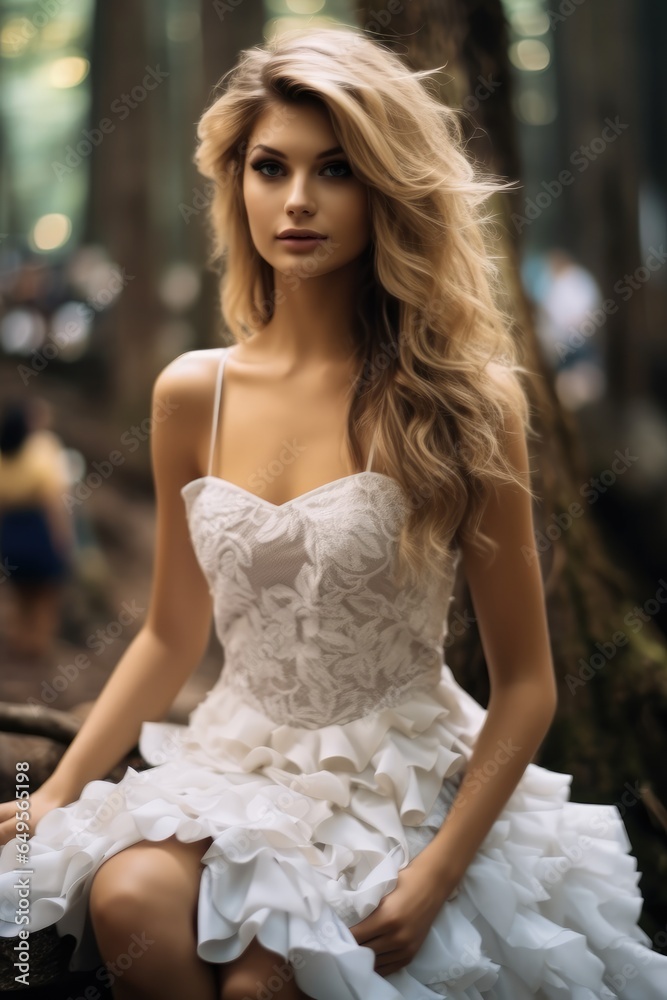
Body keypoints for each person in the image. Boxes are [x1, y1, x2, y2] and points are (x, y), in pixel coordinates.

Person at [0, 24, 665, 1000]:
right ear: (238, 183)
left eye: (338, 170)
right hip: (237, 752)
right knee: (129, 899)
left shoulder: (462, 400)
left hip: (401, 774)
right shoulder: (194, 391)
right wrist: (55, 791)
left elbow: (527, 684)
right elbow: (169, 635)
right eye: (271, 167)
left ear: (386, 191)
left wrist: (436, 872)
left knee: (269, 982)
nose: (299, 200)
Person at [0, 398, 74, 658]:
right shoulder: (43, 449)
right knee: (45, 596)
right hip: (38, 528)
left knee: (20, 595)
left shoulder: (5, 455)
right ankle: (36, 651)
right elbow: (54, 499)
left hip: (10, 529)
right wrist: (63, 536)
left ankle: (18, 646)